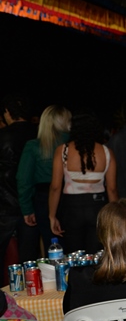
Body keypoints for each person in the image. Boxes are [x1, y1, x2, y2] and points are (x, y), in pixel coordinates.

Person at [49, 113, 118, 254]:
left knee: (74, 254)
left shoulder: (63, 150)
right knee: (96, 254)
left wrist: (52, 215)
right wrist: (116, 216)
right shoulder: (106, 152)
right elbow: (112, 189)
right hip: (98, 206)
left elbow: (55, 187)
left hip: (71, 207)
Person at [16, 105, 72, 259]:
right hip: (72, 197)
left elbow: (23, 179)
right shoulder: (74, 145)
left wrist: (27, 209)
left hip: (44, 199)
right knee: (75, 245)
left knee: (53, 246)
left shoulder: (34, 146)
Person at [0, 95, 38, 271]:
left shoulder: (3, 136)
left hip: (5, 204)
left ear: (8, 112)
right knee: (30, 258)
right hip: (33, 202)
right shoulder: (38, 134)